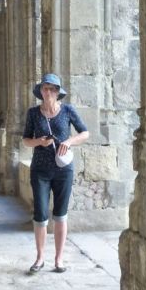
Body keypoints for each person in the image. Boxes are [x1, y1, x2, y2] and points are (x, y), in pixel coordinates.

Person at [22, 73, 89, 273]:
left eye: (52, 89)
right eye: (45, 88)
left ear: (58, 92)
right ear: (41, 91)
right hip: (40, 170)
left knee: (60, 214)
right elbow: (26, 140)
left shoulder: (68, 110)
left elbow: (85, 133)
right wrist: (39, 142)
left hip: (63, 170)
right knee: (41, 213)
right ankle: (40, 258)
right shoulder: (33, 113)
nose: (49, 92)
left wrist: (69, 142)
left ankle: (59, 259)